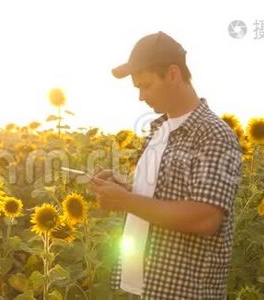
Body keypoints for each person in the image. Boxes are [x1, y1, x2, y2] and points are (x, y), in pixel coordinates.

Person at [90, 31, 243, 299]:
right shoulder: (159, 130)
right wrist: (125, 188)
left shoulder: (212, 133)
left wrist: (126, 201)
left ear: (173, 74)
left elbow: (205, 217)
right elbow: (162, 196)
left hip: (184, 291)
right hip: (146, 286)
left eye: (145, 85)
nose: (140, 96)